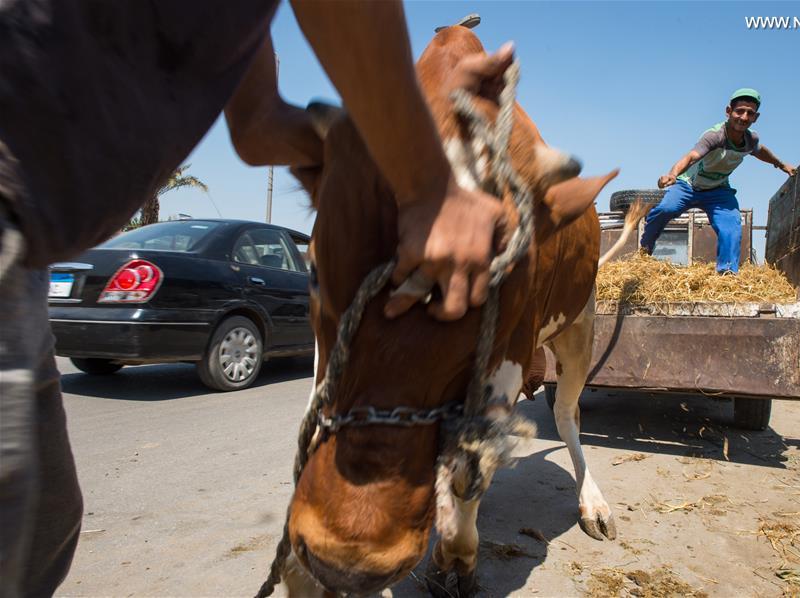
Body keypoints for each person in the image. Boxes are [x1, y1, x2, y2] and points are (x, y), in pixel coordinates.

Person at [0, 2, 513, 595]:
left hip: (26, 260)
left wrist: (385, 144)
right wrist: (426, 181)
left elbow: (260, 127)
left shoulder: (234, 38)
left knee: (46, 527)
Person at [640, 88, 797, 273]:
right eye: (739, 111)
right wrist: (673, 174)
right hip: (688, 185)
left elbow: (761, 151)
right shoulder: (714, 136)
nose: (744, 117)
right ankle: (644, 252)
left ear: (756, 117)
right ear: (728, 111)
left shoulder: (750, 139)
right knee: (666, 209)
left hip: (718, 191)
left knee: (731, 227)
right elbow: (691, 157)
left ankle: (727, 273)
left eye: (750, 113)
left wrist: (781, 164)